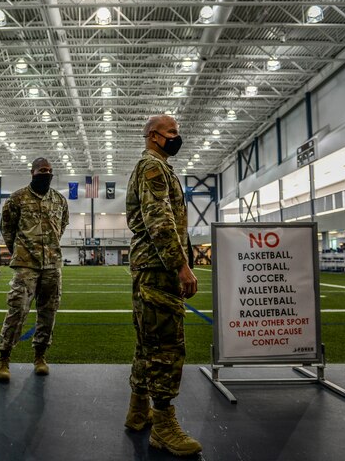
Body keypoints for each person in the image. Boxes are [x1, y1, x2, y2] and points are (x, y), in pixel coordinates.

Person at [124, 114, 202, 456]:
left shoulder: (156, 167)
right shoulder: (152, 168)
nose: (176, 137)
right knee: (166, 348)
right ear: (155, 136)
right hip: (158, 268)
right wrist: (181, 266)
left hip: (150, 266)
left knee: (147, 344)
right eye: (172, 132)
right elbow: (159, 220)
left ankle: (139, 411)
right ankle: (163, 424)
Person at [0, 157, 69, 382]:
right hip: (26, 265)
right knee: (17, 311)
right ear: (33, 172)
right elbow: (7, 228)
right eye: (42, 170)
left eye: (49, 170)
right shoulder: (17, 198)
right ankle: (4, 359)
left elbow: (62, 225)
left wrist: (50, 249)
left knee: (48, 314)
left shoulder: (59, 200)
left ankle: (40, 357)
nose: (46, 173)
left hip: (52, 266)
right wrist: (20, 250)